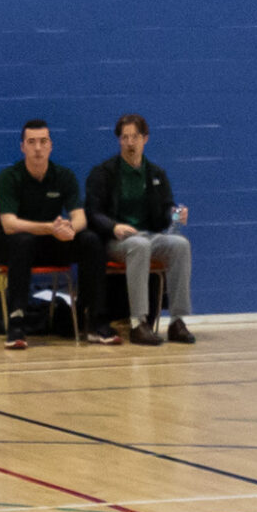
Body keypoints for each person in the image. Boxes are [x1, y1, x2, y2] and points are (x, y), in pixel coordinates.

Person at [0, 121, 114, 348]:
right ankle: (16, 323)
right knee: (23, 241)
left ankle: (95, 320)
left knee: (90, 240)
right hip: (12, 245)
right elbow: (9, 224)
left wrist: (69, 230)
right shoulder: (9, 176)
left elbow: (80, 218)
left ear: (51, 146)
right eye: (31, 142)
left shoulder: (64, 176)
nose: (38, 148)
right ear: (22, 147)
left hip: (51, 242)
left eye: (43, 142)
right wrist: (50, 228)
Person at [86, 113, 194, 345]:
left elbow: (166, 210)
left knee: (180, 245)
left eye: (134, 137)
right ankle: (138, 323)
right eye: (124, 137)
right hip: (117, 240)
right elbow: (93, 212)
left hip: (148, 235)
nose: (130, 143)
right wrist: (114, 226)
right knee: (139, 245)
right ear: (119, 140)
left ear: (145, 138)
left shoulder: (156, 174)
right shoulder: (103, 173)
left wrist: (177, 214)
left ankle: (177, 321)